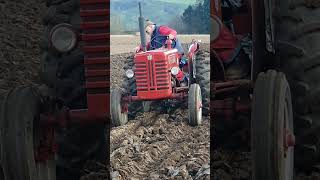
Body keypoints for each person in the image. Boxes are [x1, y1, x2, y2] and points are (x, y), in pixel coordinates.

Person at [135, 20, 188, 86]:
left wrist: (171, 35)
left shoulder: (160, 29)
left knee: (172, 66)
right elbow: (149, 45)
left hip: (174, 52)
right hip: (161, 56)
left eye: (146, 31)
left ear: (150, 26)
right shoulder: (153, 36)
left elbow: (173, 32)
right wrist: (140, 47)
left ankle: (183, 80)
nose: (146, 33)